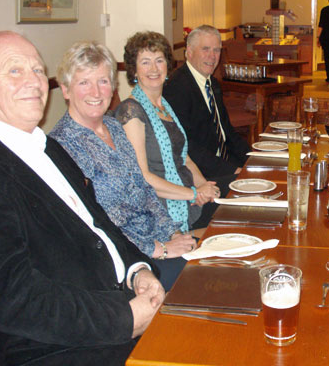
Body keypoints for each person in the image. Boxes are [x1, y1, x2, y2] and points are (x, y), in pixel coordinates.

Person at [0, 31, 164, 365]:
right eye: (14, 71)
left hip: (115, 303)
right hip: (51, 345)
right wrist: (123, 318)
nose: (34, 82)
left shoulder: (47, 148)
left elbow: (101, 226)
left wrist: (140, 271)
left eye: (38, 70)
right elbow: (12, 298)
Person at [50, 41, 197, 291]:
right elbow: (96, 225)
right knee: (202, 282)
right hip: (123, 261)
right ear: (66, 90)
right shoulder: (63, 146)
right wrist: (158, 249)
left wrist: (172, 233)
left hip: (158, 240)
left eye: (103, 81)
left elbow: (146, 190)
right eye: (84, 82)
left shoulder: (115, 128)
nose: (96, 92)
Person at [115, 31, 221, 233]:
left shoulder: (164, 106)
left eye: (159, 60)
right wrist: (193, 193)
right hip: (162, 210)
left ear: (167, 65)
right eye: (145, 62)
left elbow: (184, 158)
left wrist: (205, 186)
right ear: (134, 70)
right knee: (230, 225)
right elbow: (142, 178)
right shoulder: (131, 111)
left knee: (239, 210)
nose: (154, 69)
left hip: (188, 196)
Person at [163, 25, 250, 178]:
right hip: (200, 173)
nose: (212, 56)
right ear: (188, 52)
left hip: (223, 160)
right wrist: (231, 171)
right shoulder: (177, 88)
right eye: (205, 49)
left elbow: (227, 132)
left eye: (216, 50)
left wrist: (252, 159)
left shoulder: (212, 83)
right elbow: (187, 147)